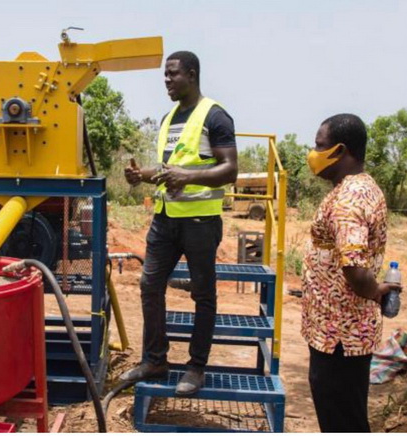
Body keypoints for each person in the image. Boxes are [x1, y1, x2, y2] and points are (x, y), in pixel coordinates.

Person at [120, 51, 238, 395]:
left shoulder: (215, 116)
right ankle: (155, 360)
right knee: (149, 286)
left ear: (192, 73)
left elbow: (230, 169)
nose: (167, 81)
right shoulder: (168, 119)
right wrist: (140, 175)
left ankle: (196, 367)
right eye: (165, 76)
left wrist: (189, 176)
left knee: (203, 294)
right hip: (166, 219)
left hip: (200, 221)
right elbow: (168, 170)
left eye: (173, 75)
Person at [301, 114, 402, 432]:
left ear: (341, 151)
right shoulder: (359, 187)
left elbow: (355, 270)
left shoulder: (349, 200)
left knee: (342, 422)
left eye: (319, 146)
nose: (313, 153)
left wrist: (374, 290)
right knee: (347, 418)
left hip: (339, 337)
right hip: (340, 333)